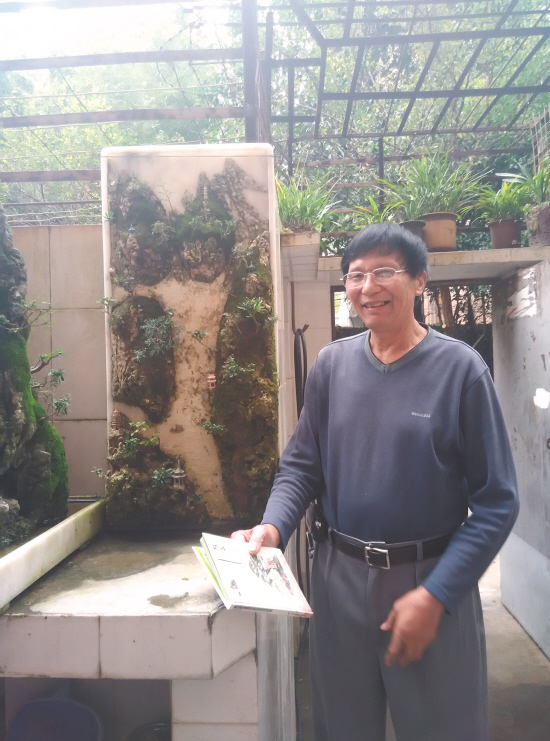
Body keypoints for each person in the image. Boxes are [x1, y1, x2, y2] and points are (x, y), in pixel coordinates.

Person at [232, 223, 518, 741]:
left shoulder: (461, 371)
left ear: (420, 281)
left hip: (429, 579)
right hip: (338, 579)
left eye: (384, 271)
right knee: (342, 728)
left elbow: (497, 502)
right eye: (356, 275)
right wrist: (273, 528)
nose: (368, 287)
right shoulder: (331, 366)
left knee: (443, 728)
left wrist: (437, 594)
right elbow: (301, 467)